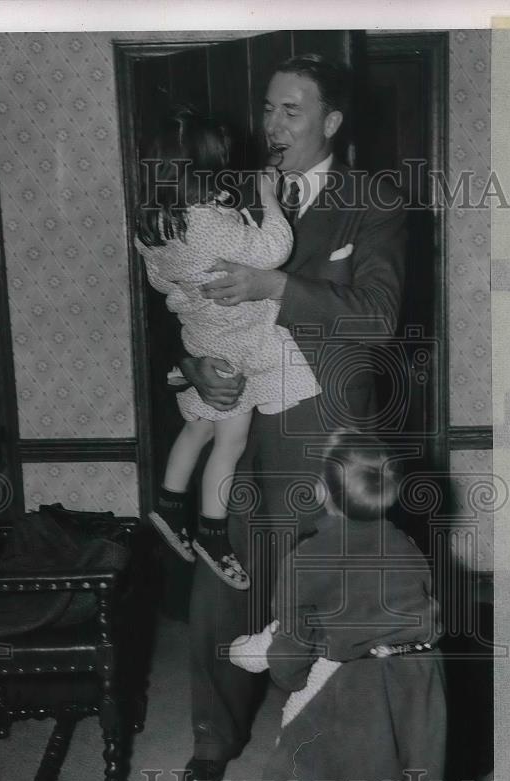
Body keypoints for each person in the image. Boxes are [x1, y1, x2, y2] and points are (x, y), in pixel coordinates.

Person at [176, 52, 409, 781]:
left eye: (292, 111)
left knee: (321, 597)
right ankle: (213, 733)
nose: (272, 124)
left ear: (331, 122)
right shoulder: (228, 190)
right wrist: (192, 366)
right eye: (268, 109)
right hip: (239, 428)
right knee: (221, 587)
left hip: (325, 431)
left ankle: (335, 746)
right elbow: (182, 302)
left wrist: (275, 283)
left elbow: (377, 318)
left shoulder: (374, 196)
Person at [223, 432, 487, 781]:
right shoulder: (408, 545)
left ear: (322, 492)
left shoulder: (307, 558)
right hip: (421, 683)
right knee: (418, 780)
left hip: (354, 687)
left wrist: (279, 669)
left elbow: (291, 652)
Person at [134, 108, 321, 589]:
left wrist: (191, 282)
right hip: (237, 341)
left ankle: (170, 503)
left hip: (199, 334)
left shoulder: (152, 222)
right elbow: (273, 250)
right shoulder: (208, 224)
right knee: (229, 441)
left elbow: (160, 280)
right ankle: (211, 533)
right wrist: (266, 200)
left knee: (197, 426)